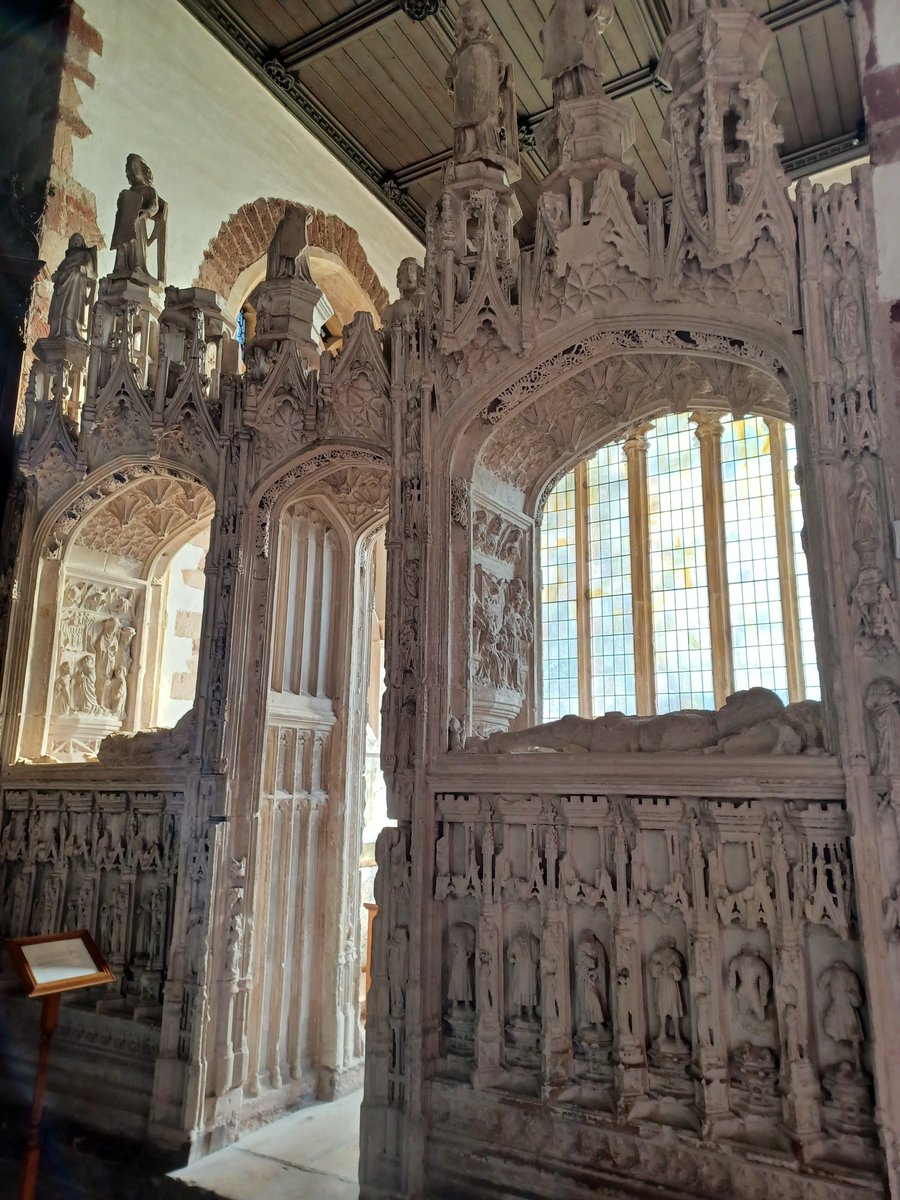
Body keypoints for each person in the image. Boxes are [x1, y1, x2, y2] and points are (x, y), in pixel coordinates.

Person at [540, 0, 613, 103]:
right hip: (563, 57)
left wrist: (598, 8)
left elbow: (607, 12)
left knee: (586, 78)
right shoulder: (558, 5)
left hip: (584, 46)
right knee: (565, 85)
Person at [111, 154, 165, 284]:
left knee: (136, 244)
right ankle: (120, 266)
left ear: (143, 171)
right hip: (124, 223)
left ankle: (137, 265)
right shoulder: (128, 191)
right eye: (129, 169)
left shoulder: (149, 191)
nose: (131, 172)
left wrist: (145, 213)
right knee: (122, 244)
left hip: (138, 223)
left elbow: (154, 206)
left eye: (134, 168)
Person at [47, 233, 97, 340]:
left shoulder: (85, 255)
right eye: (73, 240)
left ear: (82, 242)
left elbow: (92, 273)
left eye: (78, 239)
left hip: (75, 286)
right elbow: (60, 270)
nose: (75, 242)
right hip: (61, 288)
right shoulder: (66, 259)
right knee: (59, 309)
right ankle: (57, 330)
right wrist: (57, 275)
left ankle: (71, 330)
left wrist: (79, 269)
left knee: (74, 277)